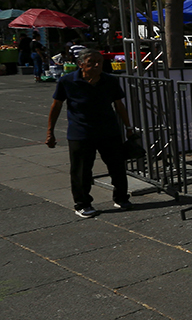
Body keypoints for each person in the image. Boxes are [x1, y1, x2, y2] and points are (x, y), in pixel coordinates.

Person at [46, 50, 133, 217]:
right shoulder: (68, 81)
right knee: (81, 171)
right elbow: (56, 106)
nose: (97, 65)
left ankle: (121, 198)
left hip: (108, 130)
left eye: (99, 62)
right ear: (81, 64)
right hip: (81, 132)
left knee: (117, 167)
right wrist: (50, 132)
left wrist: (128, 128)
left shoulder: (110, 80)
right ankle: (82, 203)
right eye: (92, 62)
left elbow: (119, 105)